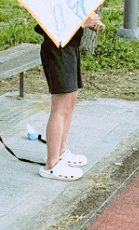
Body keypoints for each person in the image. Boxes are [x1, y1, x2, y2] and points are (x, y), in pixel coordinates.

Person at [35, 12, 105, 181]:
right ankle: (52, 164)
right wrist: (84, 23)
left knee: (70, 102)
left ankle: (61, 152)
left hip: (70, 47)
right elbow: (53, 25)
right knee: (60, 107)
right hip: (57, 49)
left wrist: (90, 21)